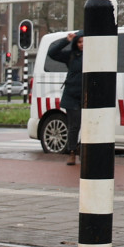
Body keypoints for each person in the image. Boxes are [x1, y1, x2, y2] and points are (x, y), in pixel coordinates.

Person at [47, 31, 84, 166]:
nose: (82, 44)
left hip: (87, 95)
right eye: (79, 42)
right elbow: (52, 53)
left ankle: (84, 149)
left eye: (84, 41)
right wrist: (66, 40)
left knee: (88, 125)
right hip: (72, 96)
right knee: (74, 125)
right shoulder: (71, 55)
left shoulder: (93, 56)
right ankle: (72, 152)